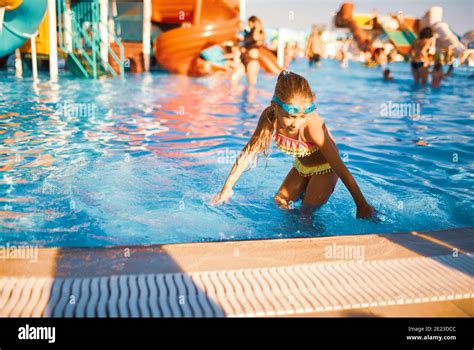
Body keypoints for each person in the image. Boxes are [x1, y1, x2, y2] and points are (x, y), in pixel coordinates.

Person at [211, 71, 376, 220]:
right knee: (279, 202)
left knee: (305, 214)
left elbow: (340, 167)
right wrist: (226, 189)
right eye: (290, 116)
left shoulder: (313, 126)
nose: (296, 123)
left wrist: (361, 205)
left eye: (302, 116)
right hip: (301, 167)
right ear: (275, 107)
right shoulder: (269, 117)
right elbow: (247, 154)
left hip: (326, 169)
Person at [240, 16, 266, 85]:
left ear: (254, 23)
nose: (248, 24)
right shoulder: (248, 34)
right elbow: (244, 42)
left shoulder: (261, 34)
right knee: (233, 79)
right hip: (243, 60)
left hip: (252, 61)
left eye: (249, 22)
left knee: (251, 84)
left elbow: (255, 37)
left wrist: (257, 28)